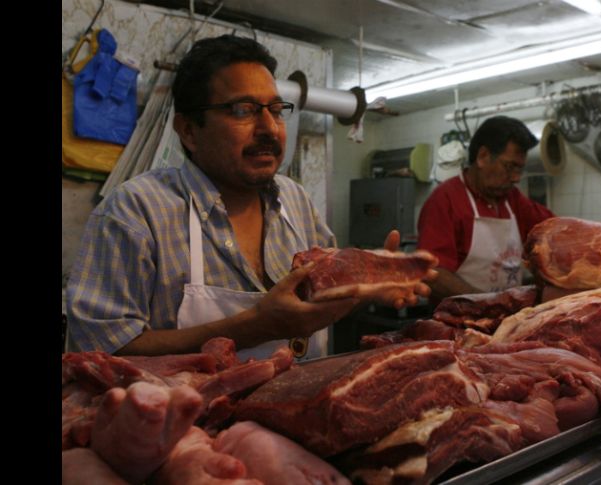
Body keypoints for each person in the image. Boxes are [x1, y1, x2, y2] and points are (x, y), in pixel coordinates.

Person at [66, 35, 430, 360]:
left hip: (298, 410)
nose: (269, 128)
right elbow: (99, 352)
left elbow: (325, 294)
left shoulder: (296, 201)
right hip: (189, 416)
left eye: (276, 110)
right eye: (243, 110)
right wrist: (254, 328)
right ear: (189, 131)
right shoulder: (135, 211)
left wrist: (366, 288)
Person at [417, 116, 555, 301]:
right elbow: (433, 273)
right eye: (510, 167)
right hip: (458, 316)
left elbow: (552, 231)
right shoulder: (445, 200)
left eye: (520, 169)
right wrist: (488, 304)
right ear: (483, 156)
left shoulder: (512, 199)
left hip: (508, 314)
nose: (516, 178)